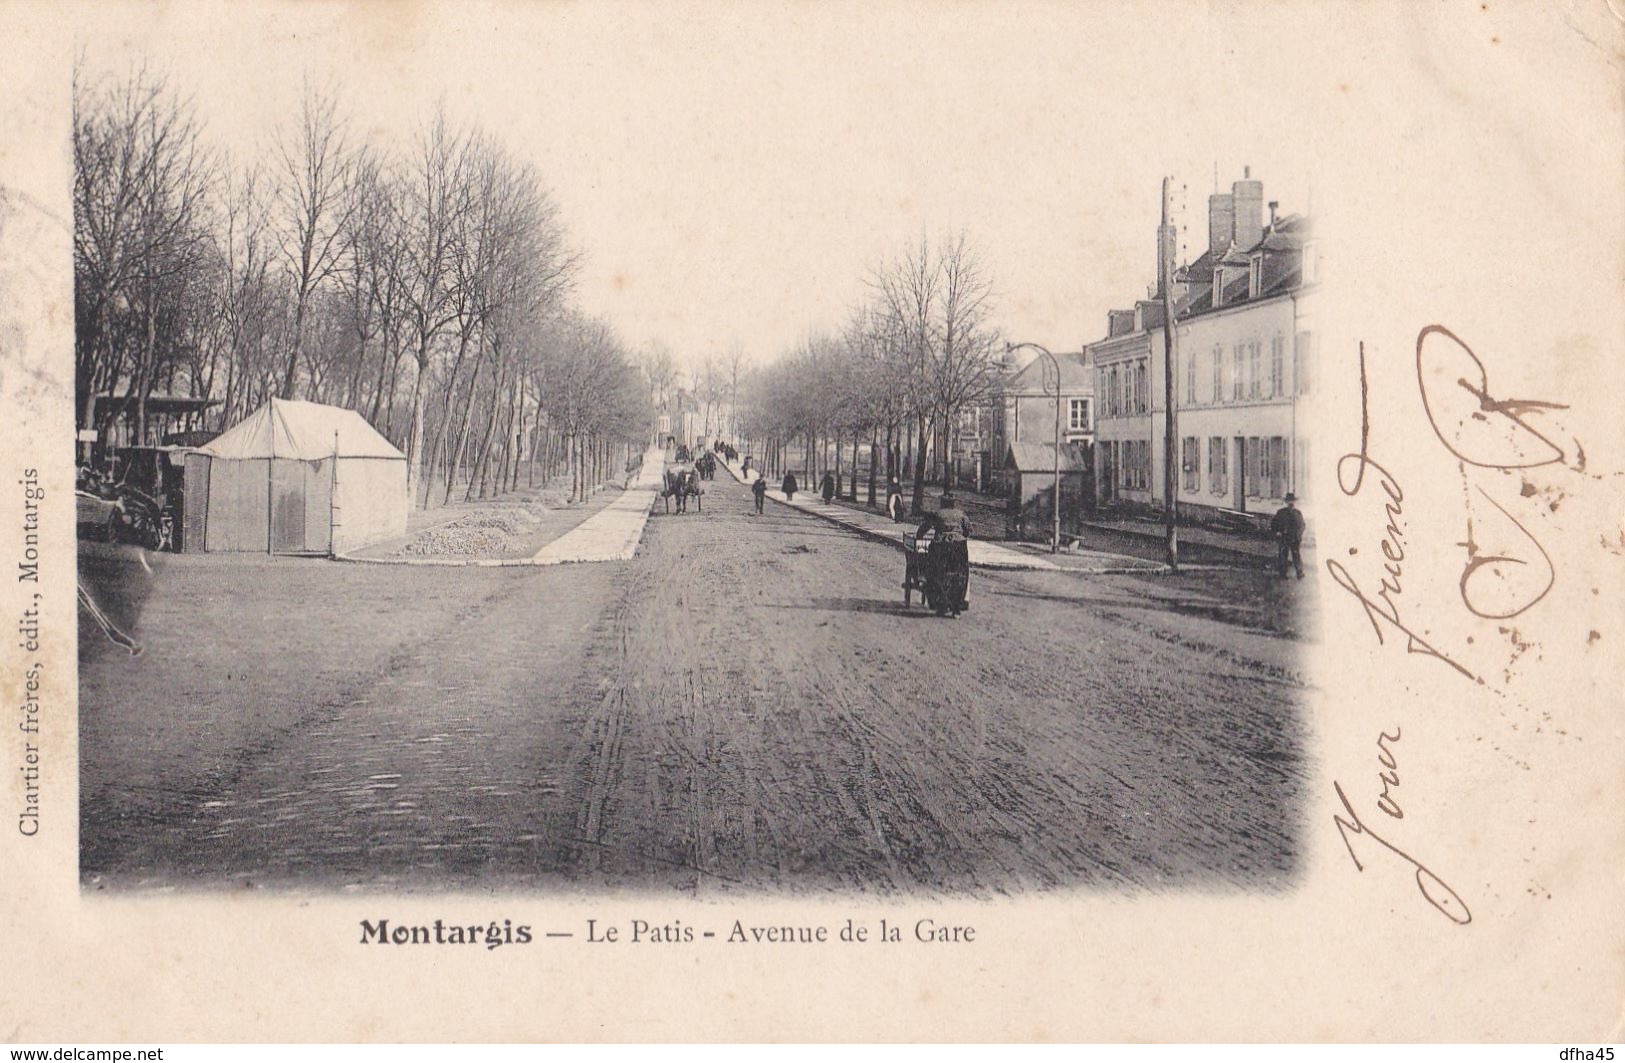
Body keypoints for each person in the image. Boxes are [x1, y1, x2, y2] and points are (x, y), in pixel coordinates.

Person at [915, 491, 973, 616]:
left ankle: (939, 603)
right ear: (953, 504)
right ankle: (958, 605)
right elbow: (968, 530)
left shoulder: (937, 514)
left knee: (934, 570)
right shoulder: (961, 514)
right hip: (959, 547)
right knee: (962, 573)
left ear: (943, 503)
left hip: (941, 547)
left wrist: (918, 538)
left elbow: (923, 529)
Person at [1270, 492, 1306, 579]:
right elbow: (1274, 524)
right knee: (1283, 555)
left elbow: (1302, 525)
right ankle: (1282, 573)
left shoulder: (1298, 513)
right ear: (1286, 502)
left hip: (1295, 538)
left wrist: (1299, 535)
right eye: (1289, 501)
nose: (1291, 503)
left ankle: (1299, 573)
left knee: (1296, 555)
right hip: (1284, 537)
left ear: (1294, 502)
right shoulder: (1281, 512)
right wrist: (1277, 532)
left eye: (1292, 501)